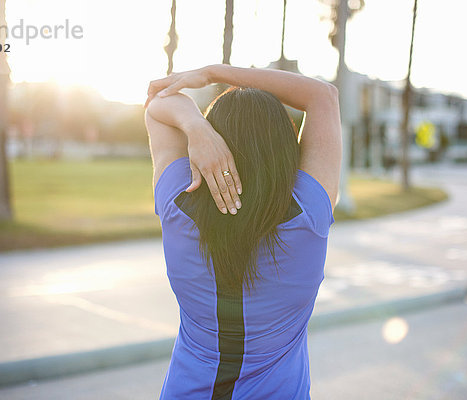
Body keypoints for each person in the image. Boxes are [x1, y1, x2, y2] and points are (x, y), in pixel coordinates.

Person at [145, 64, 342, 399]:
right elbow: (323, 96)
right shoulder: (308, 214)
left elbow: (157, 101)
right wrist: (214, 73)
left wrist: (196, 128)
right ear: (285, 149)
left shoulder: (179, 201)